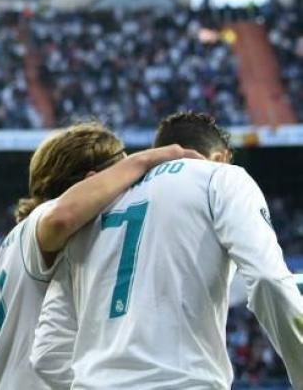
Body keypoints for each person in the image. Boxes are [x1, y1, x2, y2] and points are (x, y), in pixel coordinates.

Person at [31, 112, 303, 389]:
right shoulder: (223, 177)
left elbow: (47, 353)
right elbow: (268, 281)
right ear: (221, 158)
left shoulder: (96, 201)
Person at [0, 121, 201, 389]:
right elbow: (62, 217)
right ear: (92, 182)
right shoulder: (43, 221)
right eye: (124, 180)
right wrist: (145, 159)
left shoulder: (15, 245)